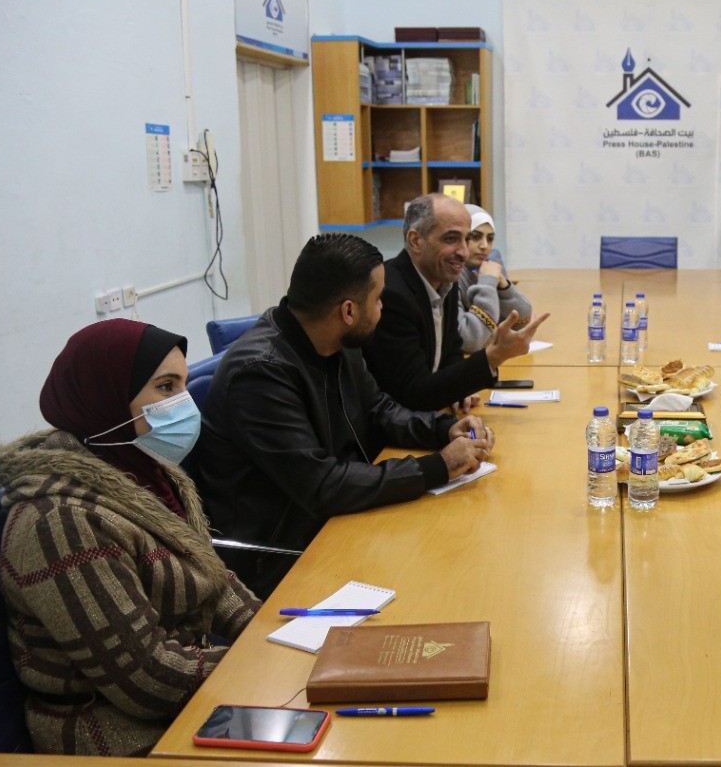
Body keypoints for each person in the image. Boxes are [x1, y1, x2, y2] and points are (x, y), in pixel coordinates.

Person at [0, 320, 259, 756]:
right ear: (105, 394)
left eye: (183, 385)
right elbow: (146, 679)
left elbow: (210, 581)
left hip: (184, 694)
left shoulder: (145, 473)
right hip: (114, 733)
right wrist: (264, 660)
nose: (184, 403)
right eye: (166, 387)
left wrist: (278, 632)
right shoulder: (61, 523)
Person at [195, 233, 492, 597]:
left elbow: (379, 409)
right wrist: (438, 467)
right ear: (348, 312)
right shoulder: (260, 374)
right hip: (281, 558)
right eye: (378, 299)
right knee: (441, 580)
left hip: (337, 519)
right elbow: (321, 485)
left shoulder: (336, 341)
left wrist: (444, 428)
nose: (382, 308)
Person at [363, 193, 549, 412]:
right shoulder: (392, 293)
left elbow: (451, 352)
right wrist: (494, 356)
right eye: (451, 239)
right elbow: (413, 395)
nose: (463, 251)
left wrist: (461, 388)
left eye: (466, 239)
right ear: (415, 241)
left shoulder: (443, 279)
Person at [457, 203, 533, 353]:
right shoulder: (448, 277)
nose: (484, 246)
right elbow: (468, 341)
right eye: (476, 237)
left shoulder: (486, 266)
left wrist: (504, 286)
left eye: (490, 238)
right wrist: (487, 284)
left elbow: (520, 322)